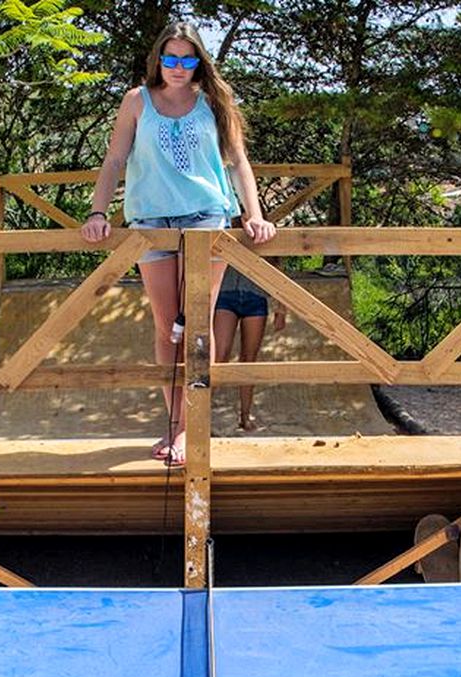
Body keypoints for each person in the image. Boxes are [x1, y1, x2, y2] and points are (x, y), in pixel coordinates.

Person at [81, 21, 276, 466]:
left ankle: (191, 431)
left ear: (199, 63)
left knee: (197, 329)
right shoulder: (136, 101)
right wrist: (96, 213)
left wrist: (255, 215)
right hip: (150, 221)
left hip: (205, 218)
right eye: (170, 58)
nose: (178, 67)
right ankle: (174, 424)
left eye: (188, 59)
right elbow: (114, 159)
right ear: (158, 59)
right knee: (166, 324)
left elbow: (239, 162)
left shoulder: (214, 102)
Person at [213, 265, 286, 431]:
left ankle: (245, 416)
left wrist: (281, 309)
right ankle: (199, 412)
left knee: (249, 358)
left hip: (256, 295)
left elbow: (277, 264)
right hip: (224, 293)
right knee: (219, 355)